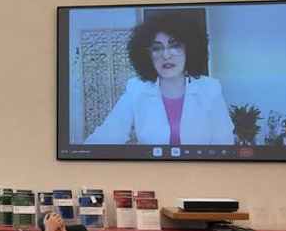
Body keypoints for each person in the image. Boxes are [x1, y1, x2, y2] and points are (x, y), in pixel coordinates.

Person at [85, 11, 235, 145]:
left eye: (175, 46)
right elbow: (106, 136)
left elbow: (224, 144)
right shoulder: (137, 89)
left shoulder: (210, 89)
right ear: (148, 55)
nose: (166, 55)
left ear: (189, 50)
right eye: (157, 48)